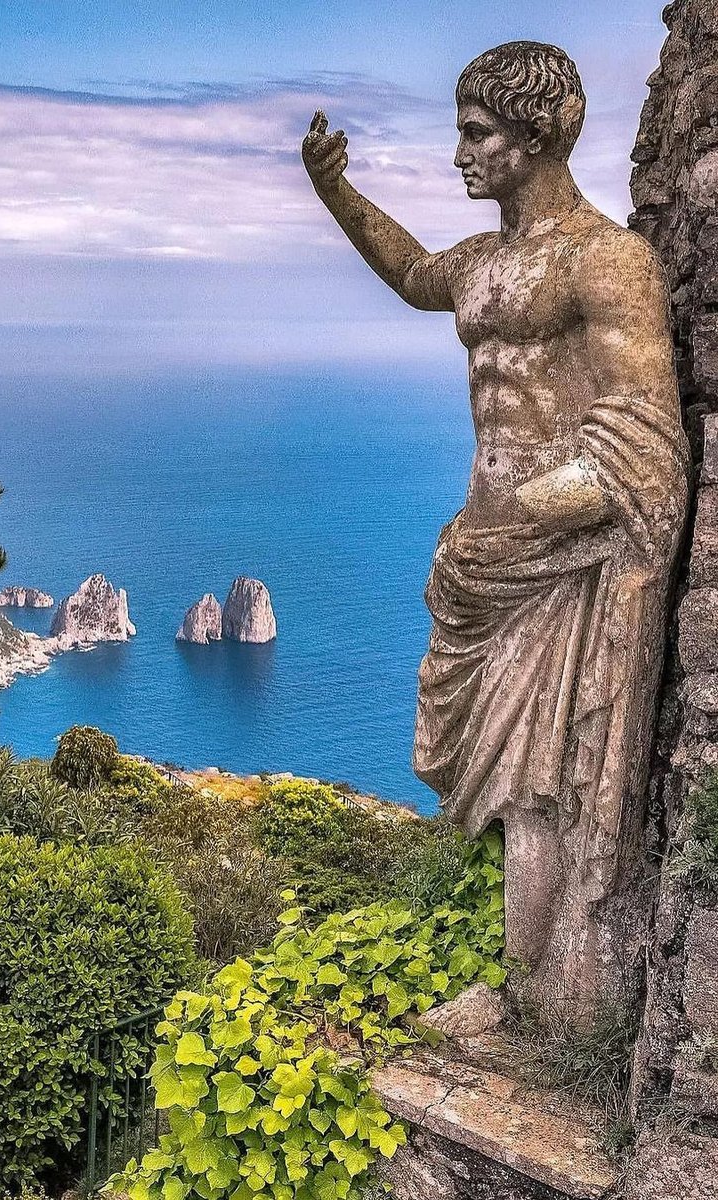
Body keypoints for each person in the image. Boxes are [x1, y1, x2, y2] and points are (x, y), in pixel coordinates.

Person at [302, 41, 689, 1008]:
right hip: (485, 552)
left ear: (537, 133)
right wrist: (334, 192)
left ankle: (549, 999)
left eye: (476, 133)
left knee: (542, 776)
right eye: (459, 133)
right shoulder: (484, 262)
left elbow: (642, 433)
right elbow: (408, 272)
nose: (460, 153)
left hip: (557, 553)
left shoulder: (608, 262)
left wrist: (525, 511)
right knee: (512, 781)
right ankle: (529, 987)